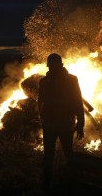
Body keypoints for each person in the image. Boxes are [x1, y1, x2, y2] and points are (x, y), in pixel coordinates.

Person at [38, 53, 85, 191]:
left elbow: (78, 102)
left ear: (60, 65)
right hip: (52, 126)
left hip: (65, 125)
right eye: (51, 66)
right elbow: (40, 102)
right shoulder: (44, 82)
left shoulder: (71, 80)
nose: (52, 68)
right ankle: (48, 184)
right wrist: (43, 118)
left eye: (54, 65)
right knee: (49, 157)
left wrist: (80, 124)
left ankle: (71, 182)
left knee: (67, 155)